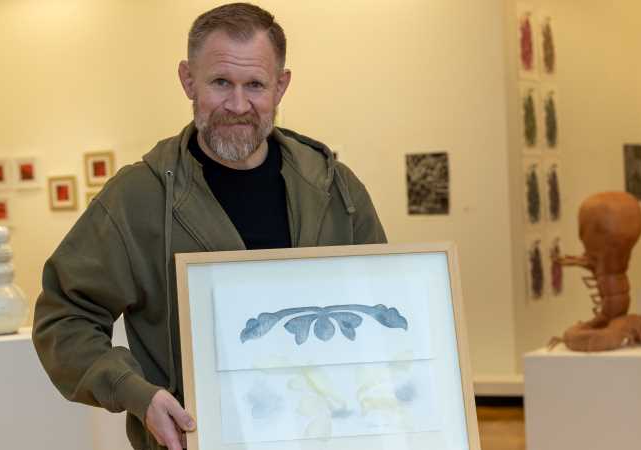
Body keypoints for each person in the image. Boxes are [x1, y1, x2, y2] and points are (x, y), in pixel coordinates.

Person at [32, 3, 386, 450]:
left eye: (255, 85)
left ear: (281, 86)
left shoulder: (337, 190)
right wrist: (136, 393)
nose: (238, 105)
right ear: (187, 80)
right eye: (220, 82)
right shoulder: (137, 198)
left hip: (330, 435)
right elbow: (64, 316)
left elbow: (383, 307)